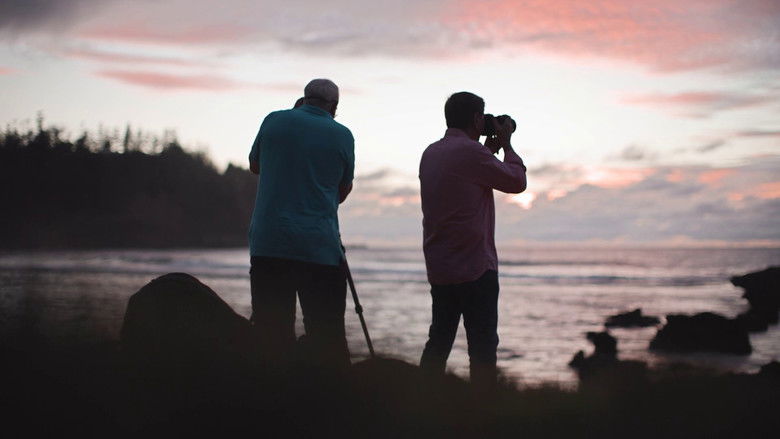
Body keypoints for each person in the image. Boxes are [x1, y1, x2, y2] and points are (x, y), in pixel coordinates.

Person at [418, 91, 527, 388]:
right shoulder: (471, 153)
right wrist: (506, 144)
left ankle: (421, 401)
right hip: (474, 267)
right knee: (481, 349)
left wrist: (487, 152)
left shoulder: (430, 152)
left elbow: (461, 179)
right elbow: (517, 182)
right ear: (477, 119)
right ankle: (482, 412)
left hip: (441, 267)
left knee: (439, 340)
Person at [248, 79, 355, 369]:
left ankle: (272, 401)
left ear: (303, 99)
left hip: (268, 243)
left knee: (271, 335)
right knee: (326, 336)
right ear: (334, 107)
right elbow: (341, 193)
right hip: (319, 248)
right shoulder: (342, 135)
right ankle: (328, 401)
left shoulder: (273, 121)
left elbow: (256, 165)